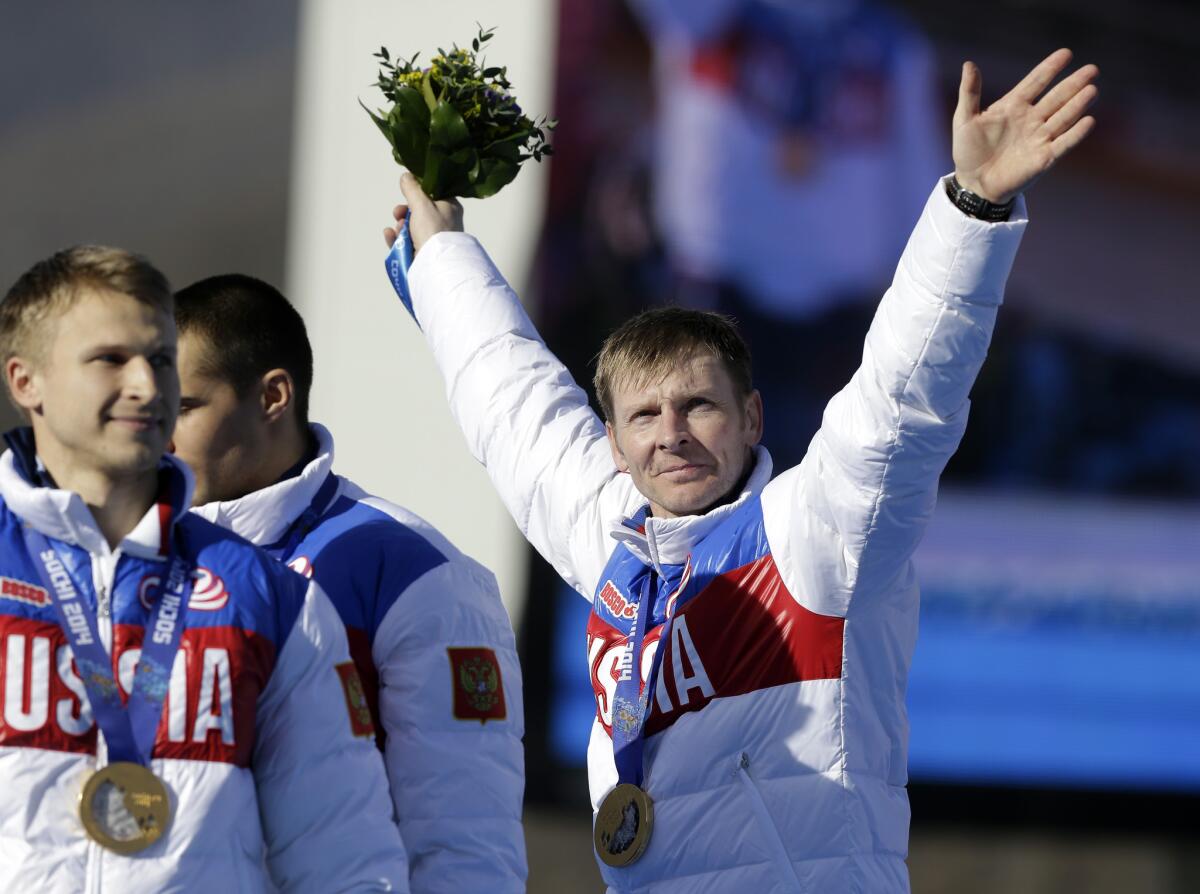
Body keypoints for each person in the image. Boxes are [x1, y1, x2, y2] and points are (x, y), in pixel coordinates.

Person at [383, 49, 1098, 892]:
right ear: (615, 444)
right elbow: (515, 404)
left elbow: (903, 398)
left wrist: (972, 209)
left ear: (753, 417)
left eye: (700, 407)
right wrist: (438, 257)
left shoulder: (814, 533)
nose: (672, 436)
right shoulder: (618, 550)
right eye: (645, 417)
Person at [0, 247, 408, 892]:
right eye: (110, 359)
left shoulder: (273, 598)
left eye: (160, 359)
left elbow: (345, 859)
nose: (145, 385)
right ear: (26, 381)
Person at [168, 274, 527, 893]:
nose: (157, 438)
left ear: (273, 396)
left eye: (182, 407)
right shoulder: (129, 559)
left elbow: (464, 846)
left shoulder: (413, 571)